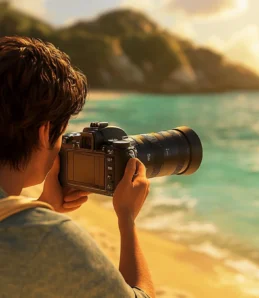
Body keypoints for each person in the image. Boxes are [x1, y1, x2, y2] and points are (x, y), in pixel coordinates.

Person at [0, 36, 155, 298]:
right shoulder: (46, 238)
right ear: (44, 131)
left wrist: (40, 205)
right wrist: (126, 219)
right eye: (62, 131)